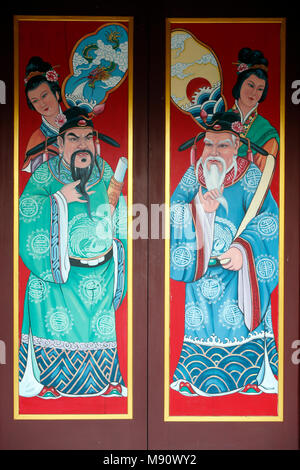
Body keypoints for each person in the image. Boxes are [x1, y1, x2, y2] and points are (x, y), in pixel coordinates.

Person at [18, 106, 127, 399]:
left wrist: (117, 229)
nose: (82, 144)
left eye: (88, 138)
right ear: (60, 144)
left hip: (100, 273)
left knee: (100, 331)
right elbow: (27, 212)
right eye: (74, 138)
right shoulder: (45, 174)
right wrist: (58, 199)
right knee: (56, 330)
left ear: (95, 143)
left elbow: (121, 219)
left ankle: (105, 382)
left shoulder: (105, 171)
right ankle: (49, 382)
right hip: (57, 277)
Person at [170, 111, 279, 397]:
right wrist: (198, 212)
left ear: (237, 147)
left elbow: (268, 219)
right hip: (201, 269)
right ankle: (194, 378)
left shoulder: (249, 174)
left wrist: (243, 249)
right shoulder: (194, 174)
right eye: (209, 144)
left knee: (239, 323)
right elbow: (172, 211)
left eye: (223, 145)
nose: (214, 152)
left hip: (240, 272)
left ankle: (249, 377)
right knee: (199, 325)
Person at [230, 47, 279, 171]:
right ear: (240, 84)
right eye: (250, 85)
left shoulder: (267, 131)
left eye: (260, 89)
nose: (254, 93)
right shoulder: (220, 119)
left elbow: (262, 176)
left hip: (250, 187)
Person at [22, 56, 64, 173]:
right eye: (35, 101)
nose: (42, 104)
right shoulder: (37, 141)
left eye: (44, 95)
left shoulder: (76, 121)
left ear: (56, 94)